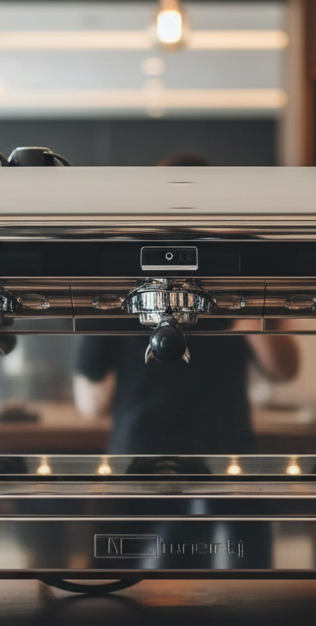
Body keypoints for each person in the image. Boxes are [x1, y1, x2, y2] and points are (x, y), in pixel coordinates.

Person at [73, 152, 299, 456]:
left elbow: (285, 368)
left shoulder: (241, 264)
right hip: (171, 450)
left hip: (208, 451)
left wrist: (238, 291)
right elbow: (91, 402)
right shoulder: (122, 273)